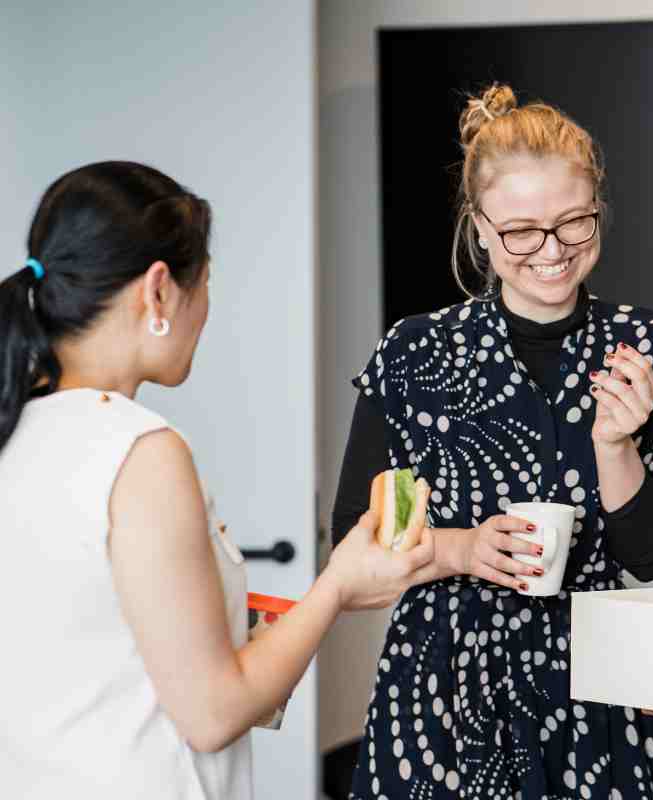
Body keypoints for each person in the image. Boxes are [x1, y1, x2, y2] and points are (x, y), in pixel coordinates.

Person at [0, 161, 436, 799]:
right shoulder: (140, 451)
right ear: (158, 290)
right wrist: (338, 584)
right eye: (204, 281)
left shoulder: (19, 431)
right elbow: (213, 714)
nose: (205, 307)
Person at [332, 85, 653, 799]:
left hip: (597, 687)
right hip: (438, 693)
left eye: (575, 224)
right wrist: (460, 548)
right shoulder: (414, 353)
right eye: (522, 231)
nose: (553, 252)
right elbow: (351, 539)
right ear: (478, 227)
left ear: (598, 207)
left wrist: (616, 446)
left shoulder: (647, 346)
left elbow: (651, 557)